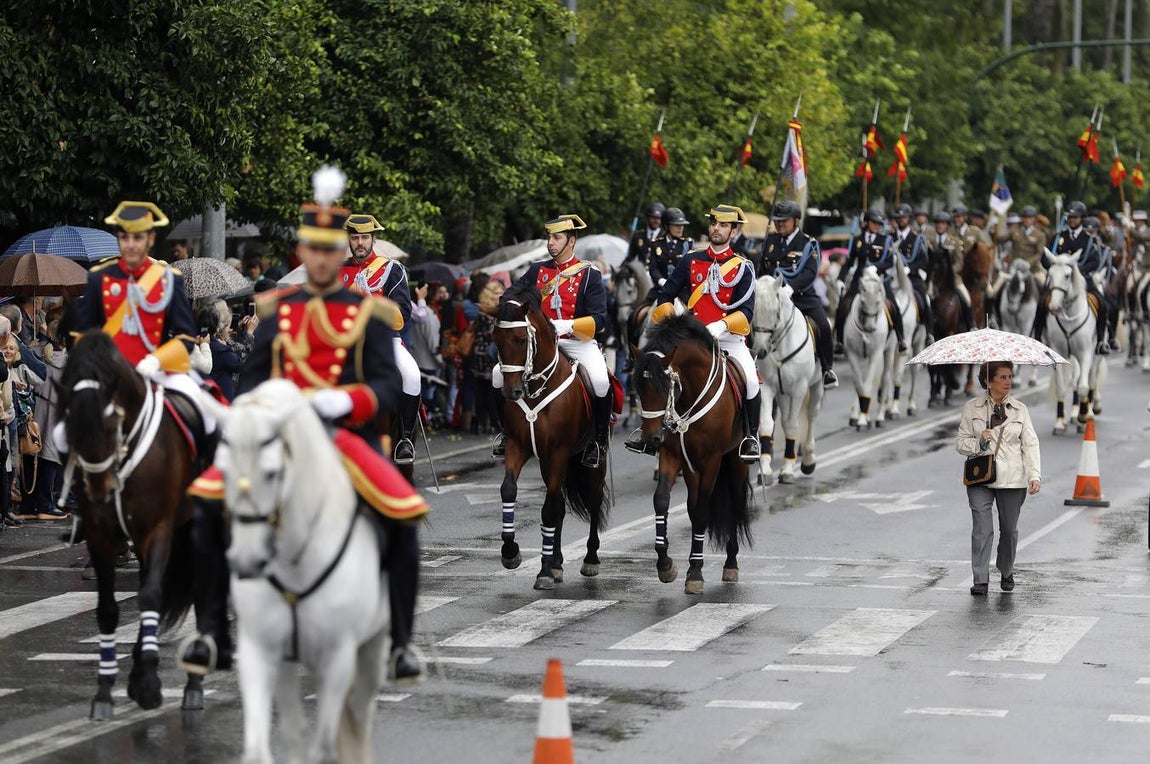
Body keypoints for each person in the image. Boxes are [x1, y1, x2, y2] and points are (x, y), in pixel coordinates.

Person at [187, 173, 430, 682]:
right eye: (313, 249)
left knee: (404, 511)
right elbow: (253, 379)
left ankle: (401, 642)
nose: (322, 258)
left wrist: (346, 399)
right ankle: (213, 632)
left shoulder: (366, 311)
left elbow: (387, 384)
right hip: (284, 434)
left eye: (331, 248)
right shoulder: (280, 310)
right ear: (304, 251)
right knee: (207, 499)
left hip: (345, 433)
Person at [70, 202, 217, 441]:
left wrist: (156, 360)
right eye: (125, 237)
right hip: (108, 372)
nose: (131, 245)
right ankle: (72, 479)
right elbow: (82, 335)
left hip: (158, 369)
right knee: (62, 434)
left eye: (137, 238)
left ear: (150, 239)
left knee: (207, 418)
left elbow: (185, 338)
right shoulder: (100, 278)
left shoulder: (169, 280)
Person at [490, 214, 612, 468]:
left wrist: (568, 324)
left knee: (601, 380)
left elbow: (599, 320)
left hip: (577, 340)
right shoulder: (538, 270)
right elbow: (513, 293)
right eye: (549, 237)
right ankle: (506, 432)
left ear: (571, 241)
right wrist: (508, 304)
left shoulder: (589, 274)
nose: (551, 243)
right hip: (540, 344)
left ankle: (598, 441)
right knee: (497, 374)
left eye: (557, 238)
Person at [645, 204, 760, 462]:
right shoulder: (691, 259)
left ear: (734, 230)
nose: (715, 229)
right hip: (694, 341)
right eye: (713, 224)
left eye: (722, 225)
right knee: (657, 370)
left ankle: (750, 437)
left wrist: (721, 326)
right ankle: (653, 430)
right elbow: (665, 297)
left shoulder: (743, 267)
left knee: (751, 381)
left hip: (728, 339)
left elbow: (747, 312)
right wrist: (674, 322)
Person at [955, 360, 1041, 595]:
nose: (1008, 382)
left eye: (1010, 377)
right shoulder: (972, 408)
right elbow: (961, 443)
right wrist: (979, 442)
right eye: (1002, 377)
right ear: (988, 381)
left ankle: (1006, 569)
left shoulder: (1020, 410)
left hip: (1012, 478)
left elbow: (1030, 444)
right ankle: (980, 579)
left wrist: (1034, 474)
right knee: (982, 529)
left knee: (1009, 530)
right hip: (980, 477)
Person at [341, 214, 421, 465]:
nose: (360, 243)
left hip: (384, 340)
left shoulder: (391, 269)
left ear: (373, 239)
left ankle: (404, 440)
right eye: (355, 238)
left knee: (412, 375)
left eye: (365, 237)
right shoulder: (337, 271)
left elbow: (403, 313)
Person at [759, 200, 837, 388]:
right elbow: (763, 269)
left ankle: (827, 369)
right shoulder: (770, 241)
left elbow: (810, 273)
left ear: (795, 221)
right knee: (756, 326)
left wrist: (791, 287)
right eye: (777, 220)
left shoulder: (808, 243)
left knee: (824, 327)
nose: (779, 224)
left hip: (802, 297)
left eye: (784, 220)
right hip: (772, 299)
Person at [1033, 200, 1110, 354]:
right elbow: (1044, 258)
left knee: (1103, 304)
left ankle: (1102, 341)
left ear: (1082, 218)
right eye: (1069, 217)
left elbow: (1094, 261)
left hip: (1081, 279)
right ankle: (1038, 338)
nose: (1072, 220)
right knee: (1042, 303)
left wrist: (1076, 270)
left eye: (1075, 217)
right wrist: (1054, 267)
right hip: (1059, 279)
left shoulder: (1089, 239)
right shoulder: (1058, 237)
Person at [835, 209, 908, 353]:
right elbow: (849, 261)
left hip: (879, 280)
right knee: (843, 305)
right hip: (860, 280)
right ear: (867, 223)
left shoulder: (886, 240)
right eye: (874, 223)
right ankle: (839, 340)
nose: (877, 226)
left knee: (893, 305)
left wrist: (876, 267)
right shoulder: (857, 240)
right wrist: (840, 278)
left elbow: (889, 262)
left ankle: (901, 339)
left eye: (879, 224)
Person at [890, 202, 933, 342]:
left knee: (924, 300)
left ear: (909, 219)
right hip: (892, 277)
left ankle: (928, 333)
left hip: (912, 278)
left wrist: (910, 268)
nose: (901, 220)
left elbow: (923, 260)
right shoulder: (889, 238)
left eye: (904, 217)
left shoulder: (917, 238)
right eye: (899, 217)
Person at [647, 206, 693, 288]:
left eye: (682, 225)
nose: (680, 228)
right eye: (676, 225)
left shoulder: (687, 244)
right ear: (667, 226)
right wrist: (661, 280)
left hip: (681, 290)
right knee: (646, 301)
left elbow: (691, 269)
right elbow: (653, 268)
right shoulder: (656, 244)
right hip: (660, 288)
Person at [624, 202, 665, 268]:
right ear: (648, 217)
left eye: (658, 218)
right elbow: (630, 257)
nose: (656, 220)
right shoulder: (638, 236)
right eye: (653, 217)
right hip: (641, 272)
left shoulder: (665, 237)